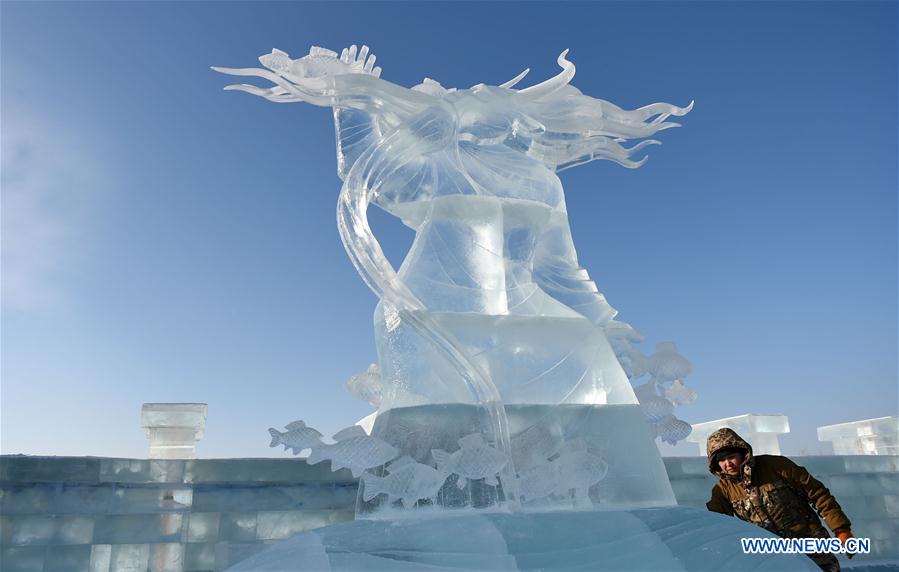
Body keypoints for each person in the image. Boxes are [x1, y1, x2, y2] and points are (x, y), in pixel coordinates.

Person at [705, 428, 854, 571]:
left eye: (731, 457)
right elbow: (717, 526)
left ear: (742, 453)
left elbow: (818, 494)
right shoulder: (722, 491)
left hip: (810, 546)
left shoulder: (776, 466)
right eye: (722, 460)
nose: (727, 463)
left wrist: (841, 530)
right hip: (772, 556)